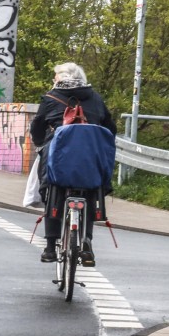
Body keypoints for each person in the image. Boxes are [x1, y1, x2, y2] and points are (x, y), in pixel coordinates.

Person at [29, 62, 117, 267]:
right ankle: (87, 243)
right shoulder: (95, 98)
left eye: (55, 77)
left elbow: (37, 126)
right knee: (91, 189)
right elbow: (110, 128)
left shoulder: (50, 98)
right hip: (90, 157)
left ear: (60, 78)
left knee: (51, 188)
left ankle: (50, 248)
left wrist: (40, 142)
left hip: (59, 155)